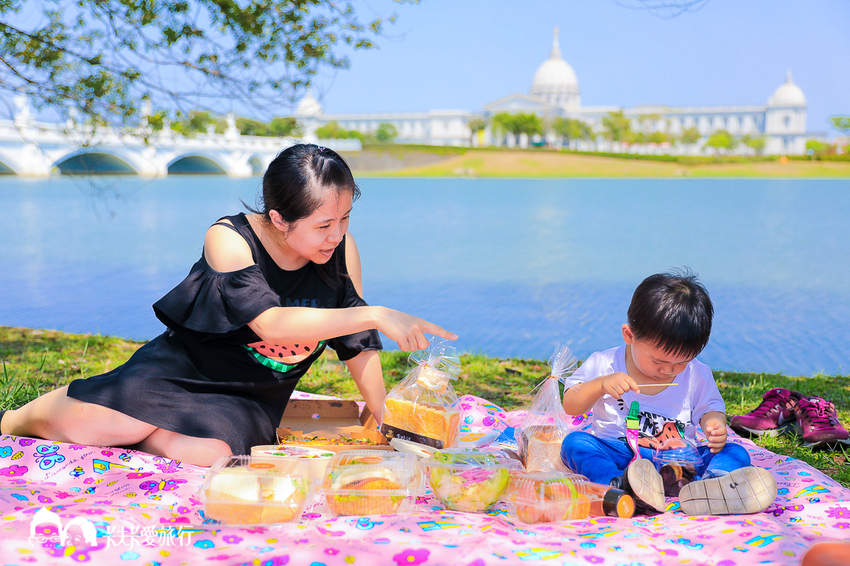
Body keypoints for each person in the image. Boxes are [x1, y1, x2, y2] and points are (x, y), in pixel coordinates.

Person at [0, 144, 456, 467]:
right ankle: (12, 418)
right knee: (92, 424)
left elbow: (356, 344)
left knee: (216, 458)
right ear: (279, 219)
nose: (336, 235)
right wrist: (375, 311)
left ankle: (146, 434)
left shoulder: (339, 250)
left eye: (344, 219)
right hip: (181, 370)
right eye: (323, 225)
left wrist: (388, 420)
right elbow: (270, 323)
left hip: (251, 394)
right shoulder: (229, 237)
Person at [560, 271, 777, 516]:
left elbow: (710, 408)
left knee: (734, 452)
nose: (668, 370)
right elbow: (571, 405)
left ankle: (713, 487)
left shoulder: (697, 374)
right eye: (658, 361)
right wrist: (599, 385)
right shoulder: (605, 363)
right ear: (630, 335)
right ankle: (617, 486)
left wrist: (713, 422)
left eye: (681, 362)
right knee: (576, 444)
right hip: (620, 455)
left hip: (681, 462)